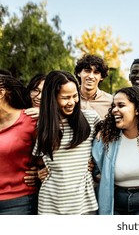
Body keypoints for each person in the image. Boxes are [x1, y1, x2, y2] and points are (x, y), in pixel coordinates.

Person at [92, 86, 139, 215]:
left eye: (121, 105)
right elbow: (94, 167)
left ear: (137, 109)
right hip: (114, 203)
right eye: (113, 106)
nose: (115, 110)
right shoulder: (105, 137)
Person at [33, 70, 100, 215]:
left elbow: (108, 144)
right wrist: (41, 171)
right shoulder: (43, 127)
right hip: (50, 204)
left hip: (84, 204)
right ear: (52, 98)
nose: (72, 102)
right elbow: (38, 160)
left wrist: (94, 164)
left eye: (75, 96)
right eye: (65, 98)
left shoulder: (91, 119)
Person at [0, 75, 38, 214]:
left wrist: (40, 172)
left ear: (1, 93)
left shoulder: (30, 121)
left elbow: (50, 158)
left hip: (18, 203)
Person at [75, 54, 113, 119]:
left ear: (102, 77)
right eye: (87, 71)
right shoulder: (70, 99)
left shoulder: (111, 101)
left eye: (96, 72)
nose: (91, 76)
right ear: (79, 73)